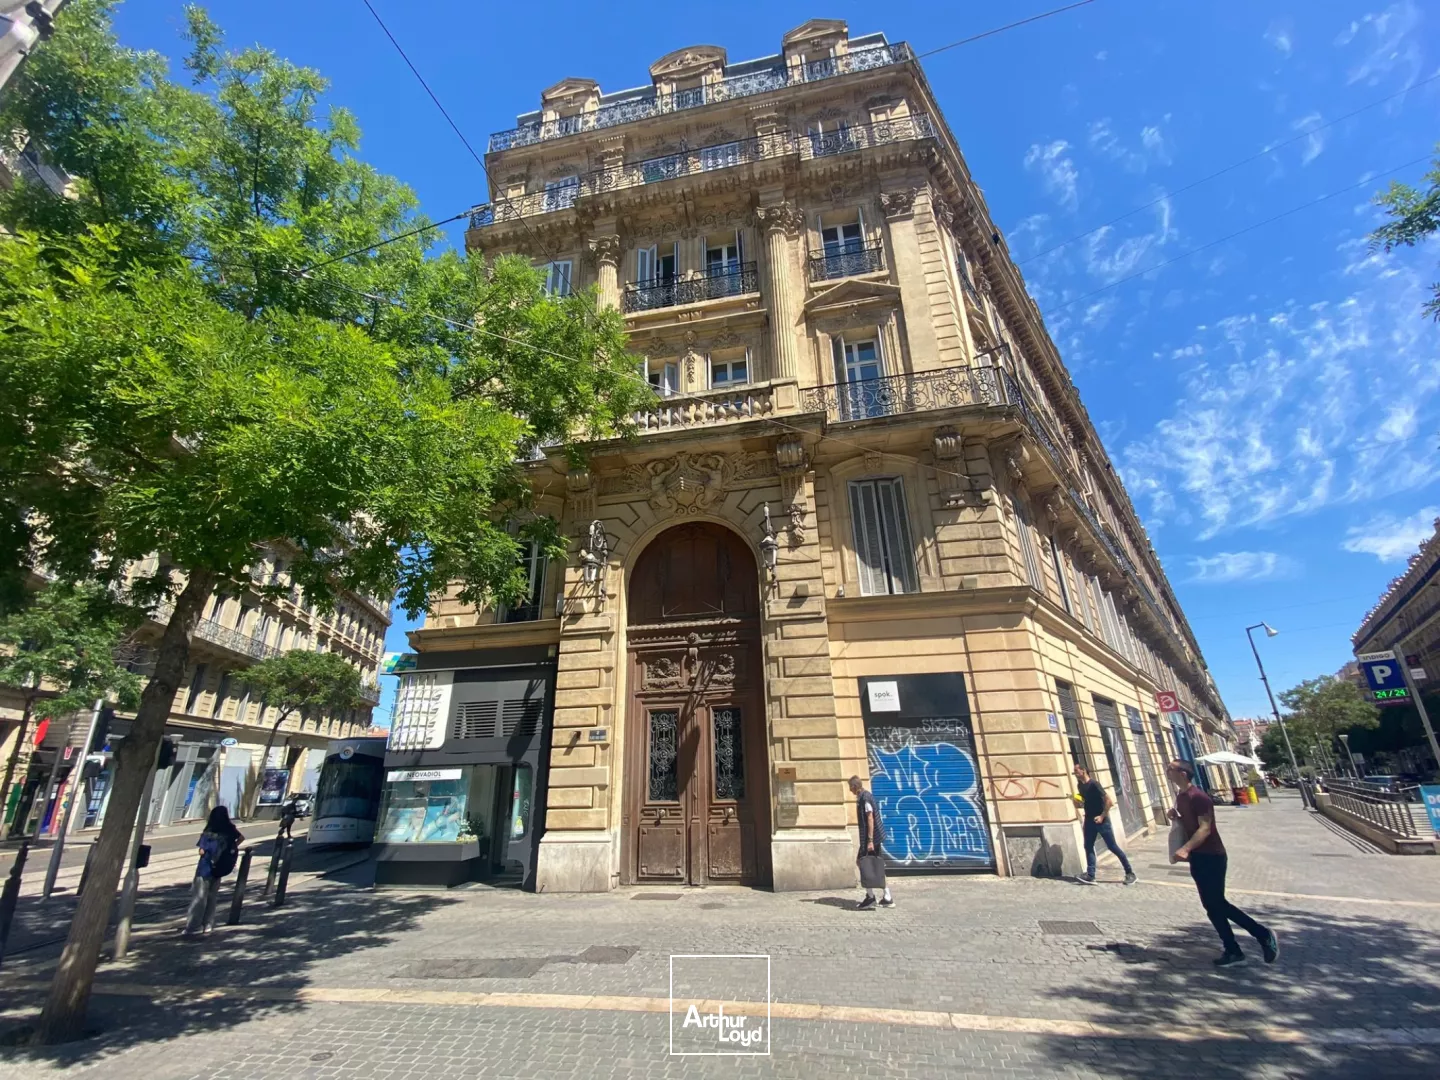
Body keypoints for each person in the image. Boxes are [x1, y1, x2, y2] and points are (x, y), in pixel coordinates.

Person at [1167, 759, 1279, 968]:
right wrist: (1177, 818)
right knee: (1211, 906)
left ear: (1183, 773)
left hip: (1212, 856)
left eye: (1170, 769)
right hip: (1199, 858)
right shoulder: (1181, 797)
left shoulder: (1198, 797)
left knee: (1217, 903)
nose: (1167, 771)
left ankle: (1263, 934)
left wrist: (1186, 848)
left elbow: (1205, 828)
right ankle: (1232, 950)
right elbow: (1190, 824)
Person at [183, 805, 244, 937]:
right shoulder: (230, 829)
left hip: (205, 868)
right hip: (220, 867)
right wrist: (230, 848)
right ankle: (208, 924)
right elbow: (240, 838)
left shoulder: (209, 831)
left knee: (199, 897)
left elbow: (202, 851)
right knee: (212, 896)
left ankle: (193, 926)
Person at [1073, 763, 1136, 885]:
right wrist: (1076, 802)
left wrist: (1102, 816)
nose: (1075, 773)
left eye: (1076, 771)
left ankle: (1130, 873)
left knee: (1112, 847)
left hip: (1101, 821)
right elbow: (1083, 803)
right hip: (1089, 820)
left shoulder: (1094, 784)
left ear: (1084, 771)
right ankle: (1090, 875)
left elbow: (1109, 801)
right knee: (1088, 846)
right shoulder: (1080, 786)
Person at [848, 775, 892, 910]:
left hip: (870, 839)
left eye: (851, 788)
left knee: (864, 864)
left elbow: (870, 819)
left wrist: (870, 841)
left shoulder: (865, 798)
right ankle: (887, 897)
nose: (850, 791)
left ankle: (871, 897)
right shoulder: (865, 796)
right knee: (875, 866)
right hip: (871, 838)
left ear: (855, 787)